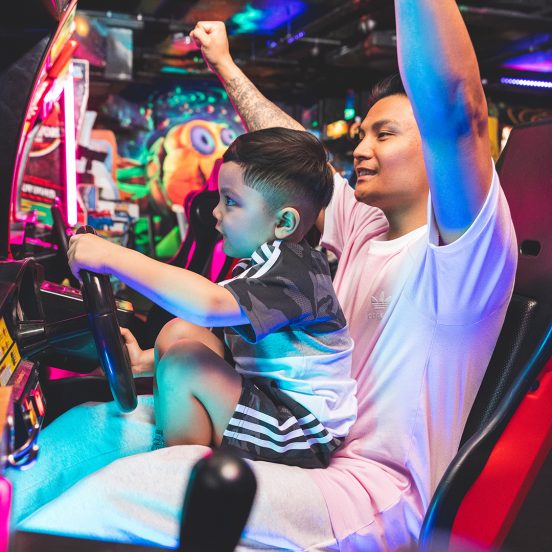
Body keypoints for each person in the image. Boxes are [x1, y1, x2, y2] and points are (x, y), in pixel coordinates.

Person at [10, 1, 517, 550]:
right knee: (92, 430)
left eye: (385, 134)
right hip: (301, 444)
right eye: (362, 135)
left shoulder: (461, 254)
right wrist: (226, 66)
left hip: (368, 498)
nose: (361, 149)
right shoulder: (367, 227)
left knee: (109, 502)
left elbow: (456, 107)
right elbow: (296, 165)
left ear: (434, 148)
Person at [67, 127, 356, 468]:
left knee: (184, 361)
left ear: (284, 221)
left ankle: (174, 472)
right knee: (178, 333)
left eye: (230, 201)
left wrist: (110, 257)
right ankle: (175, 443)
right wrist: (145, 361)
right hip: (270, 398)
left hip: (301, 431)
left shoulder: (296, 273)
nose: (216, 212)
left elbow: (208, 304)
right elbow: (227, 342)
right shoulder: (266, 265)